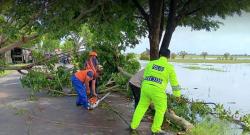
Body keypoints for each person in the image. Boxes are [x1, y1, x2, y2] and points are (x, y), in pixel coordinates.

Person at [130, 49, 181, 134]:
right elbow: (174, 83)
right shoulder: (169, 67)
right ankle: (155, 129)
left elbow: (145, 76)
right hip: (158, 90)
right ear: (168, 56)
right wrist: (177, 95)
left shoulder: (151, 63)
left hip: (145, 88)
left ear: (160, 55)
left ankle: (133, 125)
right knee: (160, 109)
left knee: (141, 107)